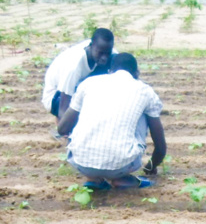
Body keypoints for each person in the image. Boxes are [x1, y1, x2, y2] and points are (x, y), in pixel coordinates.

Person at [58, 53, 166, 190]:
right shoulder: (145, 91)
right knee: (144, 113)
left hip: (81, 163)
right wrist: (151, 167)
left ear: (110, 71)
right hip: (122, 166)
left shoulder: (88, 83)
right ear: (136, 73)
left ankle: (93, 179)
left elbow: (62, 129)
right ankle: (121, 179)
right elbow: (161, 148)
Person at [41, 28, 115, 121]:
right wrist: (64, 130)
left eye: (107, 53)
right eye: (100, 53)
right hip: (56, 97)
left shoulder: (104, 49)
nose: (104, 57)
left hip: (78, 87)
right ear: (91, 46)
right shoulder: (74, 65)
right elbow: (63, 106)